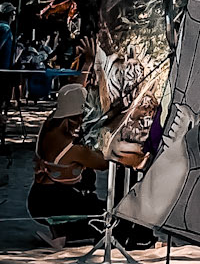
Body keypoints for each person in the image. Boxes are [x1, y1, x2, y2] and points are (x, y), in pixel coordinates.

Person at [28, 83, 149, 248]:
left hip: (38, 198)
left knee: (90, 198)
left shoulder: (50, 124)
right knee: (108, 218)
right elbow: (104, 163)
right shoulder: (73, 149)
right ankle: (67, 231)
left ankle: (61, 233)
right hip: (54, 203)